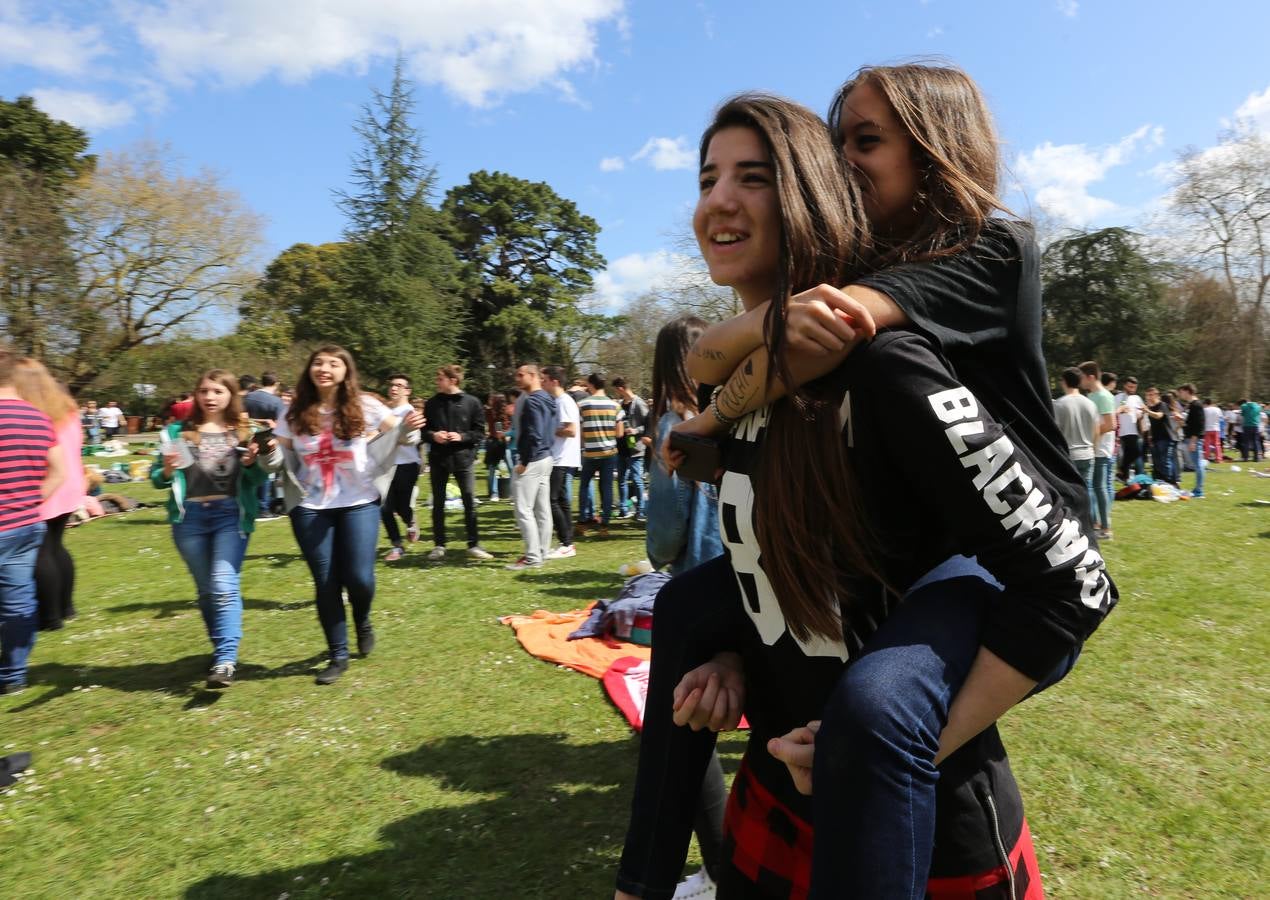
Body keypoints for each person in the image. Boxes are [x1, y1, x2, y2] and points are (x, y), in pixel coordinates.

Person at [619, 80, 1113, 900]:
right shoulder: (752, 384)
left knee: (878, 703)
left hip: (916, 825)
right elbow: (807, 565)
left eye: (754, 176)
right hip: (771, 805)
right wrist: (736, 652)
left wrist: (880, 737)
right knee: (682, 605)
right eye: (707, 179)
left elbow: (1069, 582)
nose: (718, 201)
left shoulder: (925, 321)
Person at [275, 345, 423, 684]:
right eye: (317, 362)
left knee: (359, 577)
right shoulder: (294, 412)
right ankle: (337, 654)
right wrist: (263, 449)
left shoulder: (366, 404)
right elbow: (279, 458)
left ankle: (363, 618)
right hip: (311, 506)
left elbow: (401, 435)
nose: (324, 368)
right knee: (326, 582)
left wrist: (408, 429)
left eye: (333, 363)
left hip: (359, 500)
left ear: (346, 371)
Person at [151, 369, 279, 688]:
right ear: (196, 394)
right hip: (189, 518)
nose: (210, 397)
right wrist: (166, 470)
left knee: (223, 584)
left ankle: (225, 661)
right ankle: (221, 646)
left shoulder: (243, 431)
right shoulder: (179, 432)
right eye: (205, 390)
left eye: (218, 391)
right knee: (207, 591)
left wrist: (252, 465)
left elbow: (258, 480)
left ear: (231, 396)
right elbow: (158, 479)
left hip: (229, 515)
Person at [0, 347, 64, 695]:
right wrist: (28, 501)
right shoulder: (38, 417)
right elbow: (59, 472)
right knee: (18, 601)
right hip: (27, 523)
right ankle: (13, 675)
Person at [13, 360, 85, 632]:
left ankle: (49, 617)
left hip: (47, 483)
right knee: (56, 546)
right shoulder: (67, 407)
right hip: (70, 484)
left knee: (42, 552)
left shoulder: (32, 412)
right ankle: (66, 607)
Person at [421, 366, 492, 561]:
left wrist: (461, 436)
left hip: (463, 459)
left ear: (453, 380)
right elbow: (423, 431)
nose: (437, 381)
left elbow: (479, 433)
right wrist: (433, 435)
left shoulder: (472, 402)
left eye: (440, 378)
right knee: (438, 503)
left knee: (469, 501)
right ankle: (439, 545)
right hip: (438, 459)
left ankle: (473, 544)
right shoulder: (432, 403)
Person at [506, 364, 558, 570]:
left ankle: (533, 557)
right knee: (542, 509)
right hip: (546, 457)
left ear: (533, 376)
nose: (517, 379)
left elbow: (533, 434)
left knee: (523, 509)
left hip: (533, 459)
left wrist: (524, 462)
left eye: (521, 375)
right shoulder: (548, 398)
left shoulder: (532, 402)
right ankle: (542, 552)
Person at [379, 374, 422, 562]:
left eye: (399, 385)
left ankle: (410, 520)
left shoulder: (409, 412)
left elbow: (412, 439)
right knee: (384, 507)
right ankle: (397, 546)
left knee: (402, 506)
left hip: (407, 464)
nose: (394, 388)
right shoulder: (385, 412)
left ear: (407, 391)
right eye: (392, 385)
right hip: (385, 465)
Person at [577, 372, 623, 535]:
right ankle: (604, 525)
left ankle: (582, 522)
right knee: (607, 487)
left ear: (591, 385)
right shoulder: (616, 406)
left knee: (584, 486)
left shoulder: (582, 405)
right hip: (609, 452)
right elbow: (619, 433)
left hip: (590, 452)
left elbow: (581, 432)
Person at [542, 366, 581, 559]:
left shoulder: (564, 401)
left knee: (552, 500)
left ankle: (566, 543)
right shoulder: (559, 401)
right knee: (562, 500)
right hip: (560, 456)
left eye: (544, 380)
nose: (542, 383)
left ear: (554, 381)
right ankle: (567, 542)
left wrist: (548, 429)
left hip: (561, 458)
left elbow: (571, 430)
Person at [1053, 366, 1098, 518]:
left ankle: (1073, 523)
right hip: (1087, 453)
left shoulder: (1059, 404)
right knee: (1087, 491)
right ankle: (1089, 525)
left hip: (1068, 454)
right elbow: (1096, 430)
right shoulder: (1090, 403)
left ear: (1064, 381)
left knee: (1068, 494)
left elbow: (1055, 432)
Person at [1080, 362, 1116, 538]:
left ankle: (1106, 528)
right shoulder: (1092, 396)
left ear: (1091, 377)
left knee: (1099, 487)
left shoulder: (1103, 396)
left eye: (1082, 377)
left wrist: (1090, 436)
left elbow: (1110, 425)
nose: (1080, 381)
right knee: (1093, 488)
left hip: (1101, 449)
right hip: (1092, 448)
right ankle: (1095, 524)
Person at [613, 377, 651, 521]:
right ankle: (624, 510)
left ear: (621, 388)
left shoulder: (639, 403)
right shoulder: (620, 404)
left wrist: (635, 430)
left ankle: (641, 511)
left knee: (637, 479)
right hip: (622, 448)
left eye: (616, 390)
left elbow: (648, 425)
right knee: (621, 479)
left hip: (635, 449)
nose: (616, 393)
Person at [1113, 376, 1145, 481]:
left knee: (1130, 453)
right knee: (1133, 452)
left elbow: (1141, 414)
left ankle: (1123, 475)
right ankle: (1123, 472)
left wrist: (1141, 414)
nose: (1132, 389)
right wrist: (1121, 410)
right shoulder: (1118, 397)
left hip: (1134, 430)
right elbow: (1112, 412)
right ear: (1125, 386)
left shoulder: (1137, 398)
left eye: (1134, 387)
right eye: (1130, 387)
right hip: (1122, 430)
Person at [1178, 384, 1206, 498]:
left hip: (1193, 439)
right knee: (1197, 464)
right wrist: (1180, 420)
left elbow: (1199, 425)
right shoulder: (1191, 405)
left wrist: (1193, 441)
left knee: (1198, 465)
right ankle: (1198, 489)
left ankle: (1199, 491)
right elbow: (1190, 424)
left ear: (1187, 391)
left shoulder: (1196, 405)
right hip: (1190, 438)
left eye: (1181, 392)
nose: (1180, 394)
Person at [1144, 386, 1175, 485]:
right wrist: (1149, 436)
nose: (1149, 397)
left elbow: (1159, 416)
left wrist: (1147, 411)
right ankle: (1158, 481)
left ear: (1157, 395)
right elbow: (1150, 424)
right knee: (1156, 462)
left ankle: (1168, 483)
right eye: (1147, 395)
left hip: (1165, 438)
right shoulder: (1150, 407)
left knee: (1165, 461)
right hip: (1155, 438)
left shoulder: (1163, 405)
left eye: (1151, 395)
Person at [483, 392, 510, 501]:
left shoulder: (490, 412)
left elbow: (497, 429)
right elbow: (499, 428)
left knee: (493, 469)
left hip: (495, 442)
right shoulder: (502, 412)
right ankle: (507, 492)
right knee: (509, 468)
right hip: (502, 441)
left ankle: (494, 493)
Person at [1239, 397, 1263, 461]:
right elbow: (1258, 414)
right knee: (1256, 441)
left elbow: (1242, 414)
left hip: (1246, 426)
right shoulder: (1258, 407)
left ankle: (1245, 457)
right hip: (1255, 425)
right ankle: (1256, 458)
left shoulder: (1243, 406)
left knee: (1246, 442)